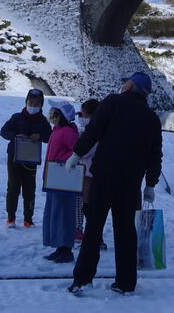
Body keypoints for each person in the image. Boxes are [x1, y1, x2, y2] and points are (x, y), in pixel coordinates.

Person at [66, 72, 162, 295]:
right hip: (131, 183)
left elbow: (93, 131)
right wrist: (150, 184)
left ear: (129, 86)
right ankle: (126, 283)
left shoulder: (112, 102)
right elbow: (155, 154)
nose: (123, 85)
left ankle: (83, 279)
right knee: (126, 231)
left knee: (94, 228)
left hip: (104, 177)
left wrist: (76, 154)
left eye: (125, 82)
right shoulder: (151, 118)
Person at [0, 88, 51, 227]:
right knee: (13, 187)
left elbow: (50, 136)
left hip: (31, 158)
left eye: (36, 104)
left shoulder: (42, 121)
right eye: (30, 103)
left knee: (29, 189)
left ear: (41, 105)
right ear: (26, 102)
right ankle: (11, 218)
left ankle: (28, 219)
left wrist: (39, 136)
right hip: (14, 156)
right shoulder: (17, 117)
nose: (33, 106)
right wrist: (15, 135)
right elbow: (3, 131)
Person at [41, 102, 80, 263]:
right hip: (55, 178)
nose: (51, 116)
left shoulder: (67, 132)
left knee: (64, 214)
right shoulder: (57, 130)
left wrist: (61, 160)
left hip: (63, 179)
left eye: (54, 114)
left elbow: (77, 151)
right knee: (56, 213)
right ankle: (60, 246)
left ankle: (66, 249)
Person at [73, 99, 103, 246]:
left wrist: (77, 147)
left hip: (89, 173)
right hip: (85, 171)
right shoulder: (90, 130)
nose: (80, 117)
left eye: (83, 115)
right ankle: (88, 232)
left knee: (87, 206)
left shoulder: (94, 132)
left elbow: (85, 152)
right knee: (83, 204)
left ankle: (94, 235)